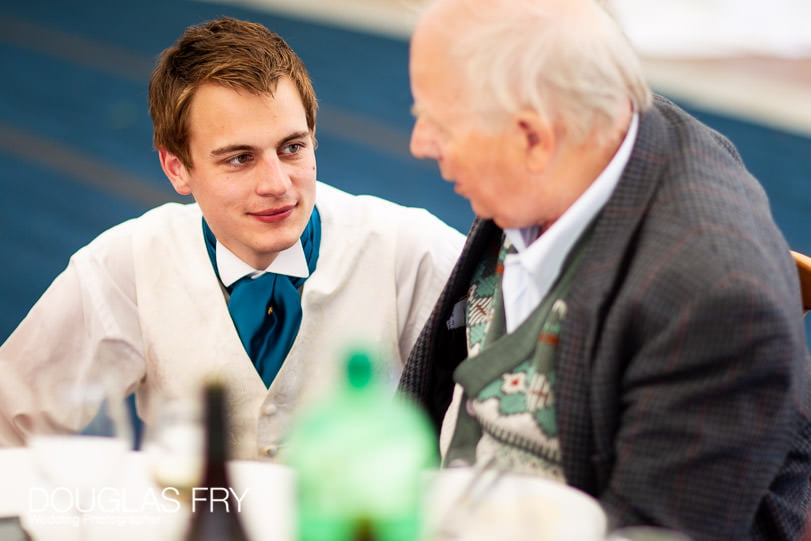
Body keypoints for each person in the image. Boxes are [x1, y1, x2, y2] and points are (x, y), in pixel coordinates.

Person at [398, 0, 811, 539]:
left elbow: (652, 530)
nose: (418, 143)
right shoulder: (580, 131)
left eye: (438, 121)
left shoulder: (713, 298)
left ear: (533, 140)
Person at [0, 17, 464, 460]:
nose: (277, 184)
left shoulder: (411, 250)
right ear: (176, 168)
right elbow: (10, 418)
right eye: (240, 158)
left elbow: (492, 427)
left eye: (292, 147)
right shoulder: (125, 266)